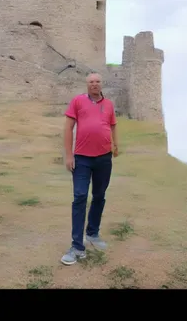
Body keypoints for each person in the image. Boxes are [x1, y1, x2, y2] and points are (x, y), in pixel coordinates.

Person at [61, 72, 118, 266]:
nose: (94, 84)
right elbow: (68, 128)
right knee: (79, 197)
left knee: (100, 196)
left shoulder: (109, 104)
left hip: (103, 158)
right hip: (82, 159)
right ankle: (77, 246)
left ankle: (92, 233)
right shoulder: (77, 101)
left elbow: (112, 125)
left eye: (97, 81)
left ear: (102, 84)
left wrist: (115, 144)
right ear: (87, 85)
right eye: (91, 82)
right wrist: (69, 155)